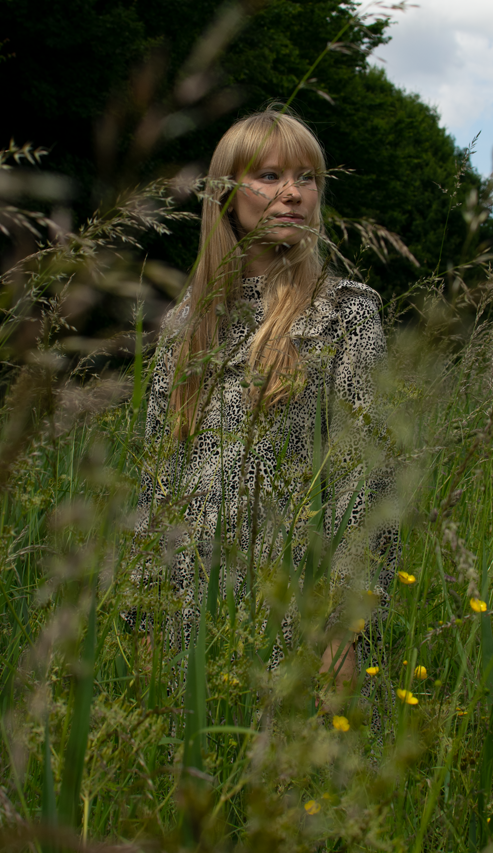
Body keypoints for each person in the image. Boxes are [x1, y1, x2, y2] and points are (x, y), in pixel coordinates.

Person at [133, 106, 399, 705]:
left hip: (298, 612)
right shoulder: (183, 327)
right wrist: (144, 615)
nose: (292, 194)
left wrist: (343, 629)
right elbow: (155, 485)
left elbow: (369, 481)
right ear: (227, 193)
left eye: (307, 179)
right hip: (187, 617)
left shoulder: (344, 312)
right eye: (271, 176)